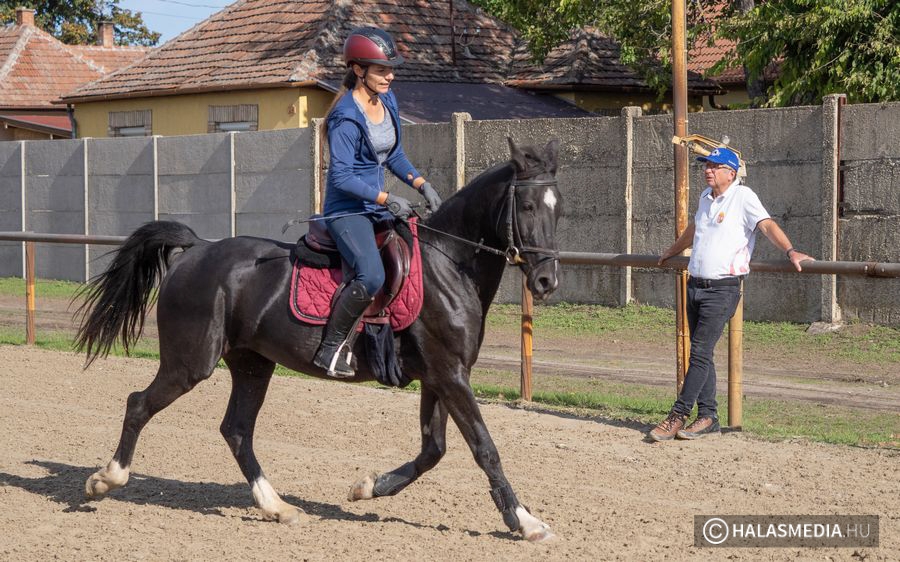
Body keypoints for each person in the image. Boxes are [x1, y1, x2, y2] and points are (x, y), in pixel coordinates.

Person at [650, 146, 814, 441]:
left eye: (714, 166)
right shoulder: (704, 198)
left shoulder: (744, 197)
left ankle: (677, 415)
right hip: (695, 285)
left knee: (699, 353)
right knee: (702, 354)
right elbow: (694, 229)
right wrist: (671, 251)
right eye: (706, 165)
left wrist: (790, 251)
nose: (707, 170)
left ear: (731, 173)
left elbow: (766, 226)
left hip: (722, 288)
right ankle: (708, 417)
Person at [313, 26, 443, 378]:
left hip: (378, 206)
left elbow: (394, 154)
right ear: (358, 70)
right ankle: (329, 350)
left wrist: (421, 183)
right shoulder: (344, 117)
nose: (390, 75)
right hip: (348, 211)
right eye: (382, 69)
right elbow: (341, 176)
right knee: (371, 275)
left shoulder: (387, 100)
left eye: (391, 69)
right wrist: (388, 197)